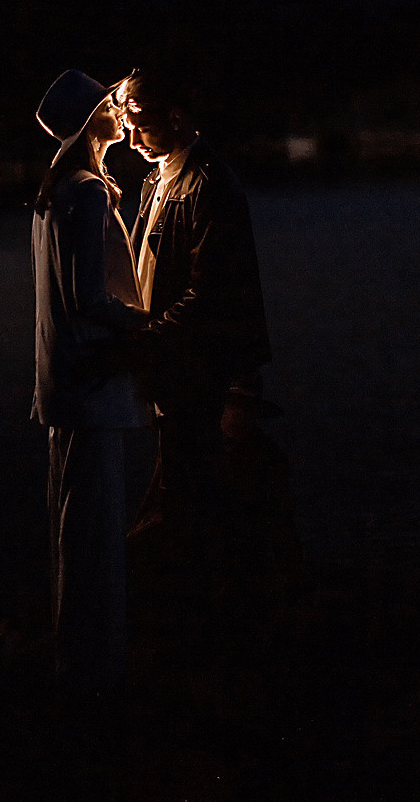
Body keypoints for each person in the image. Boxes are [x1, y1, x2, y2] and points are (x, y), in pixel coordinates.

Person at [116, 68, 271, 654]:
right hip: (177, 368)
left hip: (201, 371)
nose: (131, 136)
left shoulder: (207, 184)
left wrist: (141, 343)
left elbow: (210, 294)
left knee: (192, 492)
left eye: (139, 120)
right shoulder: (163, 181)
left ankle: (201, 628)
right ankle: (202, 616)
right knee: (188, 488)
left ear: (175, 115)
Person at [31, 69, 147, 699]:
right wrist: (151, 322)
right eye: (107, 106)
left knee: (73, 533)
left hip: (65, 389)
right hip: (93, 391)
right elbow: (87, 300)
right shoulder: (88, 192)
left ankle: (74, 666)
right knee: (96, 536)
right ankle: (96, 678)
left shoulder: (56, 193)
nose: (119, 113)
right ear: (86, 123)